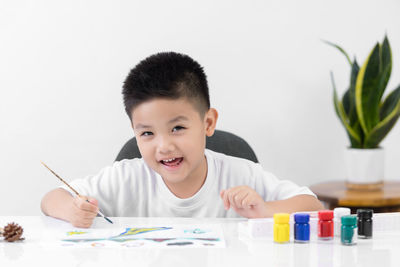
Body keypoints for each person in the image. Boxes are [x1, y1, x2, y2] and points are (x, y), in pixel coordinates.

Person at [41, 52, 323, 228]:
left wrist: (265, 210)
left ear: (208, 122)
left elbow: (311, 205)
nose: (164, 146)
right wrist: (72, 210)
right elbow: (52, 198)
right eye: (147, 133)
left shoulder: (241, 174)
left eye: (177, 128)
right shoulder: (126, 178)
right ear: (135, 132)